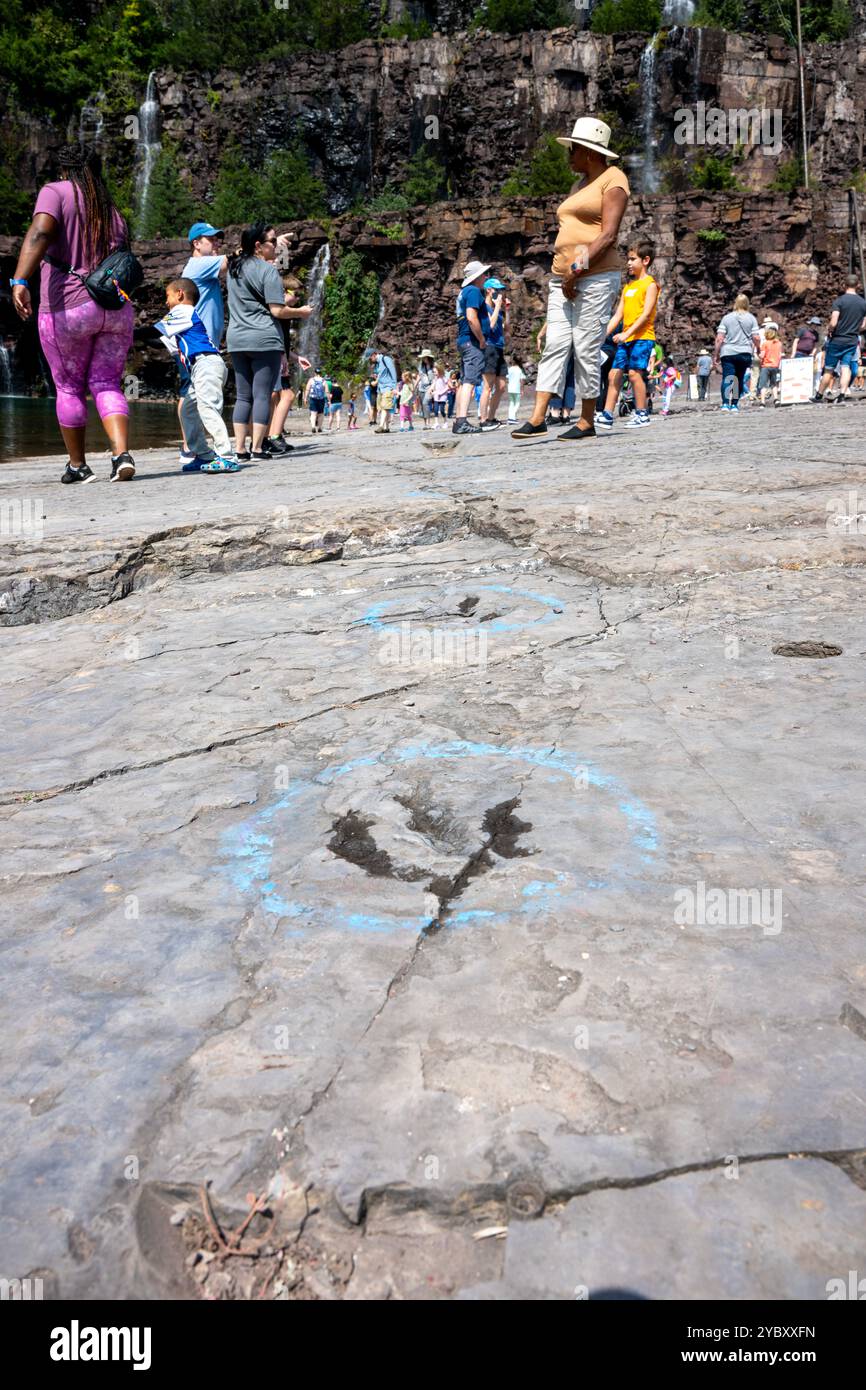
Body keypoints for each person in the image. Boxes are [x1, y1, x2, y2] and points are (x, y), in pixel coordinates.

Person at [11, 145, 136, 483]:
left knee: (68, 387)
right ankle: (121, 454)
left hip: (69, 307)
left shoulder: (56, 192)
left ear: (65, 170)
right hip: (116, 308)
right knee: (107, 382)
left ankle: (78, 466)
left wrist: (20, 279)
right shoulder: (111, 209)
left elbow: (39, 232)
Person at [512, 117, 629, 443]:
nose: (569, 157)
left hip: (593, 276)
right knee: (555, 345)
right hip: (562, 278)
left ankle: (586, 419)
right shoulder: (579, 185)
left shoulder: (614, 179)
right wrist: (566, 273)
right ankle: (537, 417)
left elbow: (608, 234)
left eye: (573, 150)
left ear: (590, 153)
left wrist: (578, 269)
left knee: (586, 346)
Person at [226, 222, 311, 459]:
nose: (276, 246)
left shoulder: (234, 268)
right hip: (264, 339)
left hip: (236, 338)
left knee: (243, 396)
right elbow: (277, 310)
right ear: (258, 246)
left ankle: (240, 449)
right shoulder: (268, 271)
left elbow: (240, 250)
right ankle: (257, 447)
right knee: (262, 395)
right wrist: (301, 312)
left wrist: (274, 239)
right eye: (272, 242)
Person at [154, 277, 238, 471]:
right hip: (200, 367)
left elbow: (152, 331)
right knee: (188, 410)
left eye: (167, 296)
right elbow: (158, 340)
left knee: (207, 409)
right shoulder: (183, 319)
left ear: (180, 294)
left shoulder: (182, 311)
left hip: (206, 364)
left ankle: (227, 457)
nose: (166, 302)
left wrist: (124, 333)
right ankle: (203, 454)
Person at [596, 240, 658, 432]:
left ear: (645, 260)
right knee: (614, 373)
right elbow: (617, 316)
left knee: (634, 374)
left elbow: (646, 314)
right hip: (626, 338)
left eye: (633, 259)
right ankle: (606, 415)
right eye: (628, 259)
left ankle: (641, 413)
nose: (628, 263)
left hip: (642, 337)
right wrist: (601, 337)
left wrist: (627, 333)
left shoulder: (650, 285)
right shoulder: (628, 287)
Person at [813, 274, 866, 404]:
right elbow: (864, 325)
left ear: (844, 285)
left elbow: (833, 322)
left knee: (829, 369)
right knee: (845, 366)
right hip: (852, 340)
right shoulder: (863, 303)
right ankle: (842, 394)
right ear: (857, 285)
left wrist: (830, 330)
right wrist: (854, 331)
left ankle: (819, 395)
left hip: (837, 339)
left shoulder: (839, 301)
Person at [452, 259, 491, 435]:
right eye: (484, 274)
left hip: (463, 341)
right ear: (477, 277)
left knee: (464, 381)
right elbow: (471, 317)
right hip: (472, 341)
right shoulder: (474, 291)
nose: (486, 276)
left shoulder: (464, 292)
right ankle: (462, 421)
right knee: (470, 381)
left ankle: (458, 420)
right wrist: (481, 339)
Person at [712, 293, 760, 413]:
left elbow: (719, 338)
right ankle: (734, 405)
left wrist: (716, 354)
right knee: (738, 378)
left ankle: (725, 404)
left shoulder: (727, 318)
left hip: (728, 352)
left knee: (728, 377)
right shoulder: (751, 318)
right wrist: (758, 349)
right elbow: (756, 338)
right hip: (745, 353)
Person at [479, 277, 509, 428]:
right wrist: (497, 306)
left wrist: (506, 310)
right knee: (488, 386)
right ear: (489, 290)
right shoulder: (484, 307)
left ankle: (491, 417)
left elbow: (506, 329)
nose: (499, 293)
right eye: (497, 290)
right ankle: (484, 419)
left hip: (499, 348)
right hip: (489, 348)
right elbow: (490, 325)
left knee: (502, 386)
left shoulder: (498, 310)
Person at [370, 349, 398, 431]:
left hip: (388, 387)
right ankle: (386, 427)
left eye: (370, 358)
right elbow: (378, 375)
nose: (370, 360)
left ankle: (381, 426)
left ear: (374, 354)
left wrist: (394, 387)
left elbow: (393, 373)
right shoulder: (377, 364)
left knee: (385, 407)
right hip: (380, 388)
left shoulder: (386, 359)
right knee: (383, 408)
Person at [757, 326, 782, 406]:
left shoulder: (765, 343)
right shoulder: (779, 343)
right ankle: (776, 399)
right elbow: (780, 355)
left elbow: (762, 355)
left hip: (766, 366)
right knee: (774, 384)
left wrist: (758, 353)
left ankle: (763, 402)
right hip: (775, 366)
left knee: (763, 385)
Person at [416, 351, 436, 429]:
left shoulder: (434, 366)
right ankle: (425, 424)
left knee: (425, 403)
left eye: (425, 357)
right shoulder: (421, 366)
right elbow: (419, 376)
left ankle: (428, 423)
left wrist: (432, 388)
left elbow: (436, 378)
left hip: (429, 387)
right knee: (422, 406)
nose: (424, 359)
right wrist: (415, 386)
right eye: (423, 357)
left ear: (429, 357)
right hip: (421, 387)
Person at [507, 356, 526, 423]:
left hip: (510, 388)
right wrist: (522, 390)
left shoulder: (510, 369)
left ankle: (510, 417)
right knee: (517, 403)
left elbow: (507, 378)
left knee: (511, 403)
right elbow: (522, 381)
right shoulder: (520, 370)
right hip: (517, 388)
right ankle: (512, 417)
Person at [431, 362, 450, 428]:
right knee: (435, 410)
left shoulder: (443, 378)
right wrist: (432, 390)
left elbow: (448, 386)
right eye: (433, 372)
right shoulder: (435, 379)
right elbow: (433, 385)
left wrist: (441, 392)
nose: (434, 373)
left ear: (439, 371)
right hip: (436, 396)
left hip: (443, 397)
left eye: (435, 372)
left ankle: (445, 422)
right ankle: (436, 423)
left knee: (442, 410)